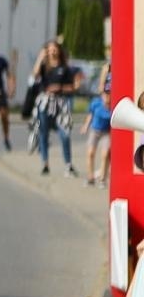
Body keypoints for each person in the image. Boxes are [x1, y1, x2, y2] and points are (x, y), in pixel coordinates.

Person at [33, 39, 81, 177]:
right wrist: (40, 58)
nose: (52, 51)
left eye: (54, 48)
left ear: (59, 50)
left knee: (65, 133)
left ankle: (68, 165)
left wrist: (59, 88)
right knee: (43, 133)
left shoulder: (65, 68)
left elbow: (72, 87)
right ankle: (45, 164)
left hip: (60, 104)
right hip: (45, 104)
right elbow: (35, 75)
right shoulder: (44, 67)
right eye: (49, 49)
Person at [84, 86, 112, 187]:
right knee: (90, 153)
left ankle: (102, 179)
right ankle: (90, 177)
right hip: (95, 130)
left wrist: (108, 106)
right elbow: (90, 115)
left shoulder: (112, 105)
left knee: (105, 154)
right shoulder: (96, 103)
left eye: (109, 94)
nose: (107, 96)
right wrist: (86, 126)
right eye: (105, 94)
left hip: (106, 132)